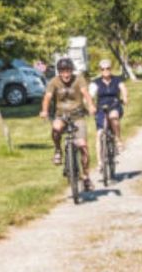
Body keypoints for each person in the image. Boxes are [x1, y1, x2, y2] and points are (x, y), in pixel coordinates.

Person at [39, 57, 97, 191]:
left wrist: (91, 106)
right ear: (59, 72)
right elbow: (47, 97)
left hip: (77, 115)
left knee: (83, 146)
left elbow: (85, 93)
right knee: (56, 128)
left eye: (68, 71)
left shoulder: (79, 79)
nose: (66, 74)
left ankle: (86, 177)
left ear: (72, 70)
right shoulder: (54, 82)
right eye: (62, 71)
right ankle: (58, 150)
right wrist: (44, 110)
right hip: (61, 115)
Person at [89, 59, 129, 152]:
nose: (105, 71)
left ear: (111, 69)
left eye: (107, 68)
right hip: (101, 107)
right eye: (103, 69)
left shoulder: (117, 80)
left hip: (114, 105)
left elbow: (123, 89)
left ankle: (118, 139)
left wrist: (125, 97)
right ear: (100, 70)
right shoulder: (96, 82)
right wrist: (91, 105)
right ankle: (101, 158)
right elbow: (90, 95)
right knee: (100, 131)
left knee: (113, 116)